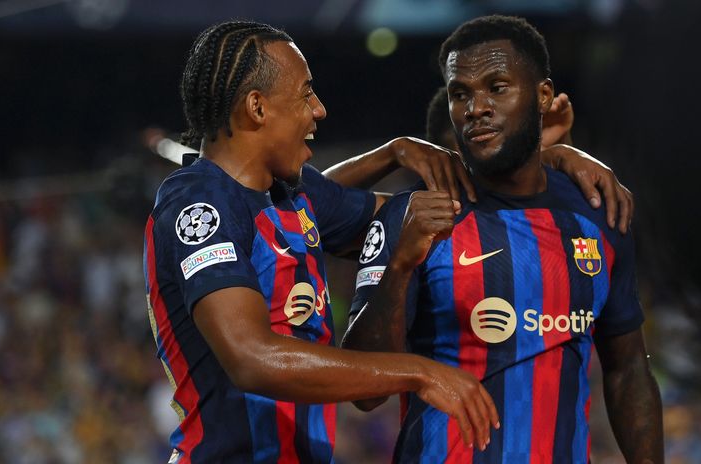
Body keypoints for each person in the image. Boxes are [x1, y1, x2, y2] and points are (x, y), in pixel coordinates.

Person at [144, 21, 501, 463]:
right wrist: (419, 373)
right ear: (257, 107)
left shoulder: (288, 200)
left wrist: (551, 165)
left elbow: (408, 216)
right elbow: (251, 357)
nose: (319, 109)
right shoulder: (200, 201)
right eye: (305, 93)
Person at [343, 15, 663, 463]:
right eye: (460, 94)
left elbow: (628, 368)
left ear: (543, 96)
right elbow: (365, 393)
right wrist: (398, 268)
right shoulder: (411, 216)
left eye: (497, 87)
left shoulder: (598, 215)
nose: (476, 108)